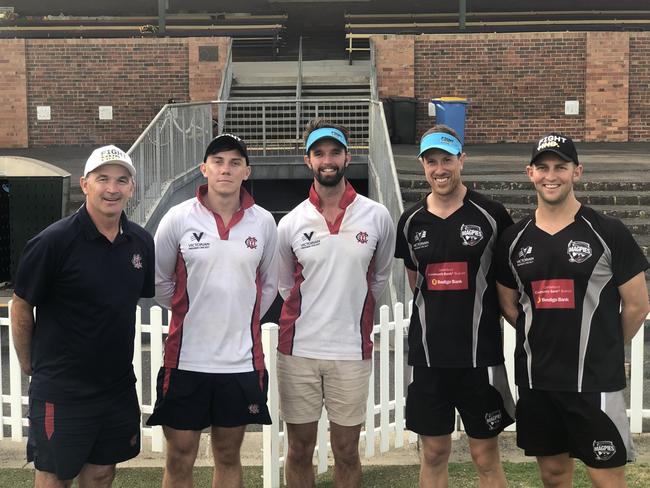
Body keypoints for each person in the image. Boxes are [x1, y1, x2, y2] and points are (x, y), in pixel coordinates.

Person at [496, 133, 650, 488]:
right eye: (543, 167)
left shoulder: (608, 231)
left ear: (577, 172)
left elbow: (638, 305)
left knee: (607, 479)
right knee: (553, 476)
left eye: (561, 167)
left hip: (594, 382)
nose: (552, 175)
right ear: (529, 173)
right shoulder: (514, 239)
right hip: (538, 382)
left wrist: (606, 345)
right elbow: (508, 303)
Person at [11, 145, 154, 487]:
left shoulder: (140, 242)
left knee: (102, 473)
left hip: (117, 386)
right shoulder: (53, 241)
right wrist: (31, 364)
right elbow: (20, 304)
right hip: (62, 389)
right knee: (55, 477)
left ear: (131, 188)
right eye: (102, 178)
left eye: (122, 180)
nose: (112, 188)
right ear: (85, 184)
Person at [148, 133, 278, 488]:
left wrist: (239, 314)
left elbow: (268, 285)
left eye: (235, 162)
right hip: (187, 358)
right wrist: (190, 310)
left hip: (240, 362)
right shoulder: (178, 218)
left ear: (246, 172)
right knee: (180, 455)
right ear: (204, 169)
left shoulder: (263, 222)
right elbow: (160, 282)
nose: (226, 169)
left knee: (227, 453)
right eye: (218, 162)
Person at [276, 119, 396, 488]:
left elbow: (378, 278)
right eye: (319, 153)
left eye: (334, 152)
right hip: (298, 350)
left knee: (346, 450)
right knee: (298, 449)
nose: (327, 160)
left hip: (350, 350)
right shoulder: (291, 222)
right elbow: (284, 286)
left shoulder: (376, 216)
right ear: (308, 160)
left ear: (348, 157)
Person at [395, 125, 516, 487]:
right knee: (432, 453)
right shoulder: (411, 221)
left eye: (447, 159)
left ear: (461, 159)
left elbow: (504, 284)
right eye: (431, 161)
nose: (440, 169)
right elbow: (416, 282)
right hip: (429, 359)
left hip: (480, 357)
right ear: (422, 165)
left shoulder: (492, 215)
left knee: (485, 456)